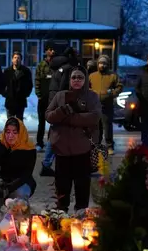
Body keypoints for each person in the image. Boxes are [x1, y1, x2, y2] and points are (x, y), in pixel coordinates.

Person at [46, 66, 101, 212]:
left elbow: (94, 117)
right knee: (62, 189)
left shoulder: (92, 96)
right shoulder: (60, 96)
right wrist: (62, 111)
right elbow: (49, 116)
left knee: (82, 187)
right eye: (74, 77)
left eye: (80, 77)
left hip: (82, 150)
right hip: (62, 150)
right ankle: (60, 216)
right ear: (69, 80)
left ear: (86, 79)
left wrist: (69, 118)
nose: (77, 80)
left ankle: (81, 216)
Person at [0, 117, 36, 213]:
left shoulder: (29, 149)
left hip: (21, 182)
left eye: (15, 132)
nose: (10, 136)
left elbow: (27, 174)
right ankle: (0, 214)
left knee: (19, 193)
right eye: (8, 132)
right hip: (2, 180)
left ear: (21, 133)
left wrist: (11, 187)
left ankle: (20, 216)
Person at [40, 46, 80, 176]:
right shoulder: (67, 68)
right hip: (61, 106)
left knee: (58, 134)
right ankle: (48, 164)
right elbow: (64, 89)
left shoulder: (59, 67)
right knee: (59, 135)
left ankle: (50, 164)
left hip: (56, 103)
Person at [89, 55, 122, 155]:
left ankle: (109, 146)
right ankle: (96, 146)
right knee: (96, 127)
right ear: (98, 64)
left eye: (104, 63)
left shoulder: (113, 75)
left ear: (107, 64)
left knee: (107, 127)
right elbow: (86, 87)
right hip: (94, 106)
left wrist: (112, 93)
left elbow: (119, 86)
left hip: (107, 106)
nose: (102, 65)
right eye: (100, 63)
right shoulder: (92, 76)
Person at [34, 44, 54, 150]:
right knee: (41, 122)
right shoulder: (41, 65)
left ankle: (51, 143)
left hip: (53, 98)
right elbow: (37, 80)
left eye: (53, 50)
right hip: (43, 98)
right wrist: (39, 95)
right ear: (46, 51)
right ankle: (39, 143)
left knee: (53, 122)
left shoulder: (56, 65)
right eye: (50, 50)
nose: (52, 52)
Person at [3, 51, 33, 120]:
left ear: (21, 60)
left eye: (18, 58)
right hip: (9, 100)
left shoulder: (26, 71)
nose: (16, 59)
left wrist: (25, 94)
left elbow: (30, 85)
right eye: (15, 57)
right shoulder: (7, 71)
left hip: (20, 100)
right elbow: (2, 84)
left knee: (19, 122)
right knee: (10, 121)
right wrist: (5, 94)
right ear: (12, 59)